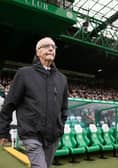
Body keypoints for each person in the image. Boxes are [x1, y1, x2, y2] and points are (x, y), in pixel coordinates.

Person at [0, 37, 68, 168]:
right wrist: (3, 132)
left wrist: (60, 128)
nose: (51, 48)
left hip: (53, 137)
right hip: (31, 135)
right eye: (47, 46)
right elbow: (9, 104)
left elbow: (64, 108)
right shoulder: (24, 74)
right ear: (37, 52)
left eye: (54, 47)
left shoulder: (62, 79)